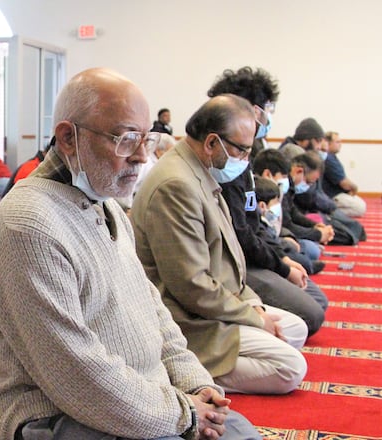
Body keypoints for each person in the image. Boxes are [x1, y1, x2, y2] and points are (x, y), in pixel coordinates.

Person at [0, 68, 260, 440]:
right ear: (68, 138)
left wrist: (194, 385)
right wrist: (182, 415)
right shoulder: (28, 223)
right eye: (126, 140)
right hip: (61, 417)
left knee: (241, 433)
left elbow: (155, 313)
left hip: (148, 399)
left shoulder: (106, 204)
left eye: (147, 139)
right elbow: (76, 374)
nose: (142, 156)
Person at [131, 94, 308, 395]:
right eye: (242, 150)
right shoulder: (176, 185)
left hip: (217, 304)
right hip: (188, 321)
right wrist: (254, 317)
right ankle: (183, 373)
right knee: (290, 367)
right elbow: (191, 286)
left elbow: (231, 258)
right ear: (213, 142)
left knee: (296, 329)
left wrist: (253, 306)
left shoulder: (199, 171)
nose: (246, 160)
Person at [206, 66, 327, 335]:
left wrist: (282, 258)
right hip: (234, 264)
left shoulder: (244, 155)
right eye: (265, 109)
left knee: (314, 295)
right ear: (248, 110)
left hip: (252, 253)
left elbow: (254, 222)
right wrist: (281, 265)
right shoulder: (222, 160)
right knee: (312, 313)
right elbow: (239, 236)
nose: (268, 117)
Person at [252, 149, 325, 275]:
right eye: (284, 177)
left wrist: (313, 228)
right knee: (308, 253)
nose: (286, 181)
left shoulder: (278, 189)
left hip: (277, 237)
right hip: (269, 242)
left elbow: (288, 216)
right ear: (268, 174)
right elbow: (261, 230)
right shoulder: (261, 191)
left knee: (306, 248)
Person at [321, 131, 366, 217]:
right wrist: (355, 188)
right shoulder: (328, 159)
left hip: (336, 193)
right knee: (360, 208)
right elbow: (344, 183)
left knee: (360, 204)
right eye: (337, 142)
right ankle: (327, 212)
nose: (340, 144)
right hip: (333, 195)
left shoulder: (331, 157)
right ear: (328, 143)